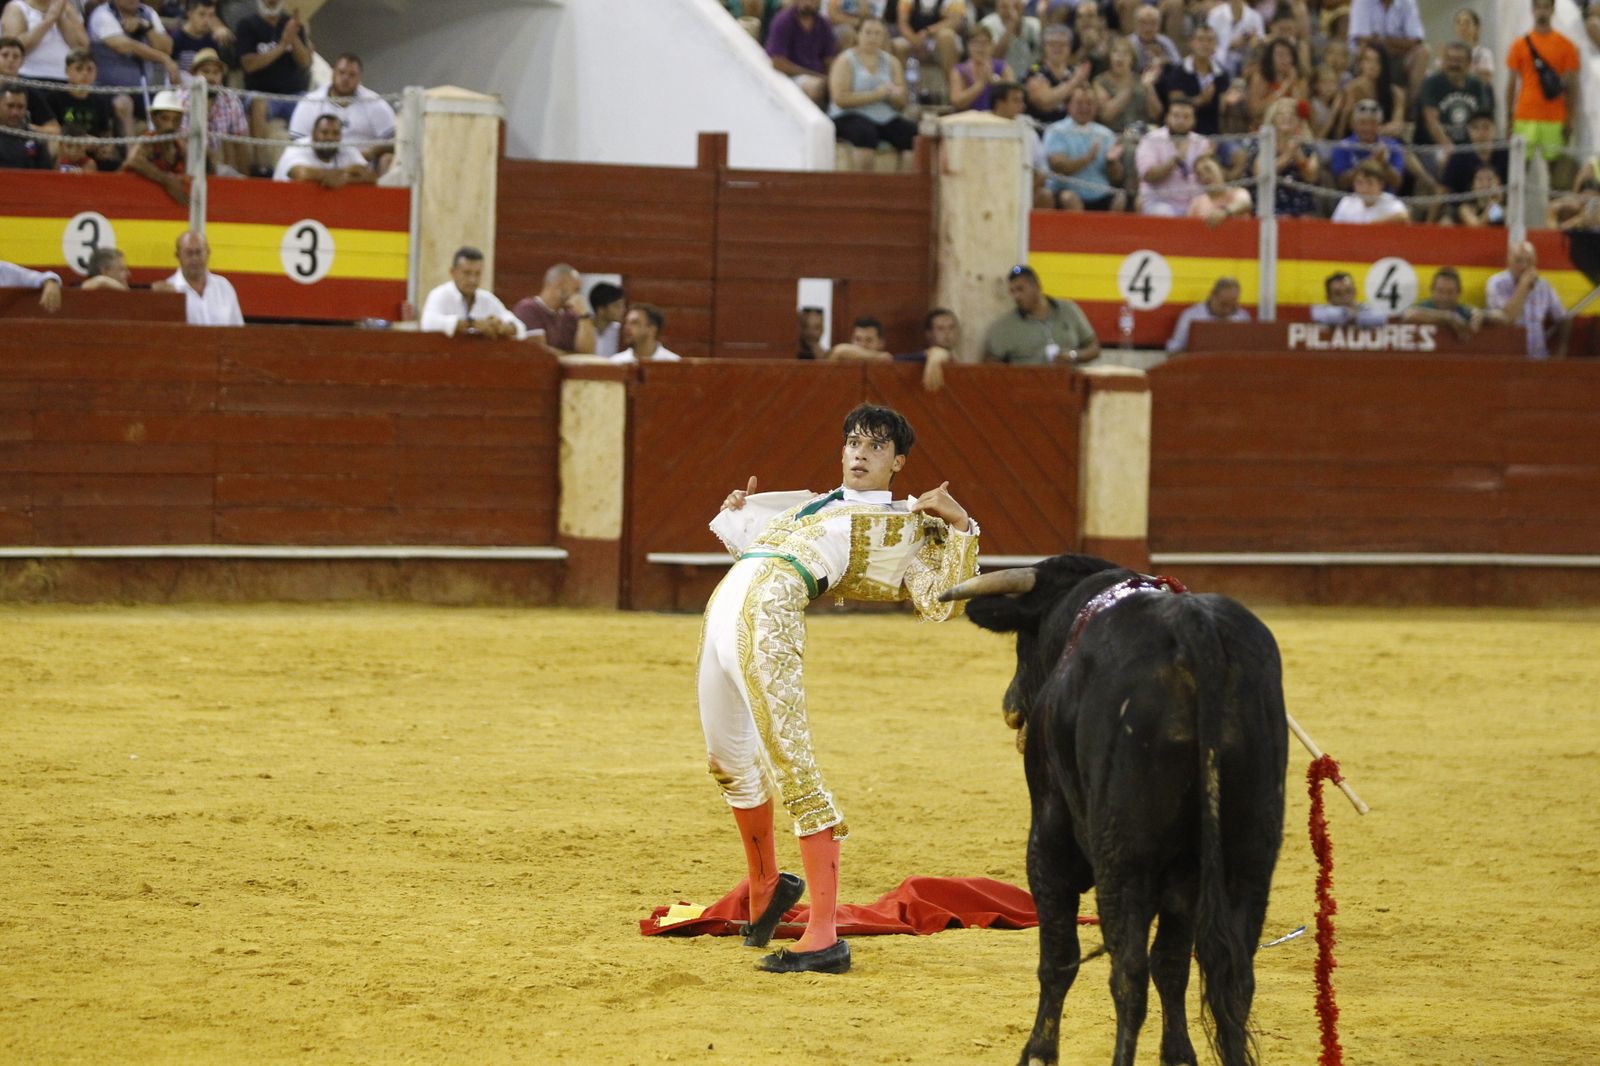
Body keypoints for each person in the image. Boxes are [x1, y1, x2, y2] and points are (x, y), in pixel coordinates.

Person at [699, 403, 979, 975]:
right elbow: (751, 550)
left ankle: (823, 936)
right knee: (727, 761)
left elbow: (937, 599)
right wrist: (740, 513)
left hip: (772, 612)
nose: (859, 452)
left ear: (898, 462)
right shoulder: (808, 503)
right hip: (724, 607)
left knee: (794, 768)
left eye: (876, 446)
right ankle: (765, 891)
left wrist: (960, 525)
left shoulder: (905, 523)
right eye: (854, 441)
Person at [1506, 0, 1579, 192]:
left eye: (1546, 7)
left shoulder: (1566, 46)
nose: (1542, 11)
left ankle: (1555, 220)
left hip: (1555, 117)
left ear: (1553, 10)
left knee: (1559, 178)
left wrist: (1570, 118)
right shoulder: (1519, 45)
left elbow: (1572, 87)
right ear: (1532, 10)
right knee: (1518, 175)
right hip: (1524, 116)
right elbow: (1511, 84)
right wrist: (1509, 119)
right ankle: (1514, 219)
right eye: (1539, 7)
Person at [827, 15, 915, 170]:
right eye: (868, 32)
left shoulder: (891, 62)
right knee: (865, 133)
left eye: (877, 33)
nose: (872, 38)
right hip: (848, 114)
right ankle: (864, 187)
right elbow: (840, 98)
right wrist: (877, 94)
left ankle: (906, 186)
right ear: (858, 34)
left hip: (884, 115)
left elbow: (902, 101)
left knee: (911, 133)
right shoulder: (845, 60)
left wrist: (895, 95)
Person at [287, 52, 396, 174]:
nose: (345, 78)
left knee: (387, 159)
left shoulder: (375, 103)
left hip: (362, 171)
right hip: (319, 168)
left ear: (360, 78)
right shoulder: (310, 102)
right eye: (341, 72)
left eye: (352, 75)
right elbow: (296, 143)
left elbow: (396, 140)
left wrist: (373, 152)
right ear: (333, 73)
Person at [235, 0, 310, 173]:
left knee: (316, 103)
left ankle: (312, 162)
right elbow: (249, 64)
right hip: (262, 94)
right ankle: (262, 167)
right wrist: (283, 45)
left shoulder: (292, 24)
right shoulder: (247, 25)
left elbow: (305, 62)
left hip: (295, 94)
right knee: (257, 102)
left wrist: (294, 38)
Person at [87, 0, 178, 137]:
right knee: (124, 102)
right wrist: (163, 59)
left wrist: (147, 28)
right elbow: (124, 46)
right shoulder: (102, 14)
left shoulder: (148, 13)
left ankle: (169, 153)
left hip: (145, 89)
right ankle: (130, 155)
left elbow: (167, 47)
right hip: (107, 89)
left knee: (169, 102)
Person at [984, 263, 1099, 364]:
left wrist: (1073, 355)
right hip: (1028, 386)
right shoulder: (1006, 326)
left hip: (1068, 384)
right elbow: (990, 365)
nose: (1016, 297)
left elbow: (1094, 348)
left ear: (1036, 286)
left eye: (1020, 289)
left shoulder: (1068, 310)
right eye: (1012, 291)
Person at [420, 246, 526, 340]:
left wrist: (504, 327)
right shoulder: (440, 294)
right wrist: (472, 324)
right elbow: (428, 323)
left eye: (477, 274)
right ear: (453, 272)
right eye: (467, 273)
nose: (473, 280)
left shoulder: (487, 299)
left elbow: (521, 328)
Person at [1485, 240, 1568, 359]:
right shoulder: (1496, 283)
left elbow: (1563, 317)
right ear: (1508, 261)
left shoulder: (1543, 286)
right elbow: (1507, 318)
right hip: (1508, 359)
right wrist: (1524, 286)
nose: (1524, 266)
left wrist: (1562, 348)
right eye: (1518, 260)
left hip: (1539, 358)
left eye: (1529, 261)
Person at [47, 49, 123, 170]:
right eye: (79, 69)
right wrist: (80, 141)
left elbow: (106, 132)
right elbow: (52, 130)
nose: (85, 74)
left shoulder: (101, 100)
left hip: (93, 154)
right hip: (66, 151)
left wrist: (106, 147)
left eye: (90, 69)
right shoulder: (54, 97)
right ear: (67, 71)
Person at [1135, 95, 1209, 217]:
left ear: (1194, 120)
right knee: (1165, 213)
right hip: (1159, 202)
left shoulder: (1201, 142)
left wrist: (1206, 164)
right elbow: (1148, 175)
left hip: (1194, 202)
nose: (1181, 121)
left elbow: (1207, 179)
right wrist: (1175, 160)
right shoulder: (1151, 139)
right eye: (1176, 116)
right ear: (1167, 118)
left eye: (1186, 117)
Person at [121, 88, 193, 206]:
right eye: (165, 118)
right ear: (153, 118)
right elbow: (133, 160)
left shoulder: (181, 147)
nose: (170, 125)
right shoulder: (148, 141)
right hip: (133, 201)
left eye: (176, 120)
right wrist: (166, 180)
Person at [1417, 41, 1491, 154]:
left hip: (1468, 149)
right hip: (1434, 148)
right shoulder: (1431, 83)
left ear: (1469, 63)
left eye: (1459, 60)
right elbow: (1431, 121)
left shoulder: (1476, 85)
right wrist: (1450, 150)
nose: (1453, 64)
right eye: (1449, 59)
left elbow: (1483, 119)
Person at [1158, 24, 1232, 137]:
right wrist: (1200, 100)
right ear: (1191, 43)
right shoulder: (1178, 71)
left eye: (1210, 40)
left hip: (1213, 134)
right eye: (1200, 40)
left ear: (1215, 45)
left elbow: (1223, 111)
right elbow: (1175, 100)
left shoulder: (1222, 74)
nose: (1205, 44)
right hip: (1181, 135)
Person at [182, 46, 247, 174]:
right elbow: (181, 143)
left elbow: (241, 142)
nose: (211, 77)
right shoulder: (182, 99)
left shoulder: (230, 99)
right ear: (194, 74)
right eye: (205, 72)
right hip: (186, 163)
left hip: (218, 165)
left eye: (216, 72)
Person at [1347, 0, 1427, 99]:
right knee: (1365, 50)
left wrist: (1380, 41)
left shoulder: (1408, 2)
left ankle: (1412, 106)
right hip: (1371, 54)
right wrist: (1398, 43)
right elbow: (1362, 39)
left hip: (1399, 56)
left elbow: (1415, 41)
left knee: (1422, 52)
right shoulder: (1362, 2)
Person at [162, 229, 242, 326]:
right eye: (189, 253)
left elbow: (238, 330)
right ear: (178, 256)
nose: (194, 258)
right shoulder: (167, 292)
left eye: (199, 252)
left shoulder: (224, 287)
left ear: (208, 253)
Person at [512, 263, 596, 354]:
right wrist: (570, 355)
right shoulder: (528, 308)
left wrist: (584, 316)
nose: (578, 295)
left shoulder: (571, 314)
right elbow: (539, 351)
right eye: (576, 289)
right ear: (559, 284)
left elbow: (587, 352)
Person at [272, 112, 372, 186]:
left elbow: (370, 178)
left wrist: (343, 178)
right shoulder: (298, 147)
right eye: (324, 132)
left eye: (335, 133)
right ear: (313, 133)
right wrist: (347, 172)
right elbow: (301, 174)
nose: (330, 138)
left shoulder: (346, 148)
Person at [766, 0, 835, 106]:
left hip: (817, 76)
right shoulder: (783, 20)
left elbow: (828, 59)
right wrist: (815, 75)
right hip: (789, 76)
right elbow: (778, 62)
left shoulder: (823, 24)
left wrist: (832, 78)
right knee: (815, 87)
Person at [1, 0, 88, 81]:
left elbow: (82, 49)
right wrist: (48, 21)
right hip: (28, 76)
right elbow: (16, 48)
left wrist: (60, 18)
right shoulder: (16, 7)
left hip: (65, 78)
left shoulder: (67, 8)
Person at [1262, 97, 1319, 217]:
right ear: (1273, 119)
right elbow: (1262, 173)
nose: (1287, 117)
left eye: (1292, 114)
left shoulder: (1307, 146)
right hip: (1270, 207)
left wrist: (1298, 154)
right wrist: (1288, 155)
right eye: (1281, 114)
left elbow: (1311, 177)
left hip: (1303, 209)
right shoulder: (1262, 144)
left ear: (1299, 120)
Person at [1329, 99, 1403, 191]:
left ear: (1379, 125)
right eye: (1362, 123)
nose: (1367, 128)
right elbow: (1342, 183)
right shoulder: (1343, 146)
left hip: (1385, 199)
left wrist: (1384, 164)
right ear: (1354, 125)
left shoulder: (1392, 145)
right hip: (1353, 198)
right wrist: (1369, 162)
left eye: (1372, 123)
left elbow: (1397, 183)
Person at [1093, 37, 1160, 134]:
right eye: (1115, 52)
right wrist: (1130, 87)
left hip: (1141, 134)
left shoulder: (1142, 80)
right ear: (1109, 57)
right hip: (1112, 134)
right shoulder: (1099, 81)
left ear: (1132, 59)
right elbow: (1106, 115)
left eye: (1125, 53)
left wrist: (1149, 87)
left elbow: (1155, 114)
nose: (1120, 57)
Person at [1022, 23, 1087, 125]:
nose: (1057, 48)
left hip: (1070, 130)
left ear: (1070, 47)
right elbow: (1045, 102)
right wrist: (1075, 82)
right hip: (1040, 128)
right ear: (1044, 47)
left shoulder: (1074, 71)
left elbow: (1085, 104)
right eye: (1052, 44)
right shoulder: (1035, 71)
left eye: (1062, 44)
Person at [1165, 275, 1250, 353]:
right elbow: (1174, 347)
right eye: (1223, 305)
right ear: (1213, 296)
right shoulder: (1191, 316)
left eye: (1233, 305)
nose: (1227, 310)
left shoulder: (1243, 317)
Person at [1402, 266, 1482, 340]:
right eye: (1440, 291)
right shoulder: (1426, 307)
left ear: (1459, 293)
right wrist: (1448, 317)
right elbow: (1408, 314)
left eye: (1450, 292)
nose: (1445, 297)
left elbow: (1490, 315)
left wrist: (1480, 314)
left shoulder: (1462, 311)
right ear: (1432, 290)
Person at [1245, 36, 1307, 129]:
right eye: (1280, 55)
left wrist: (1293, 85)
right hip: (1265, 128)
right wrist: (1284, 87)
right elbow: (1255, 111)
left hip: (1292, 129)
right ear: (1271, 58)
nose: (1284, 59)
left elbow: (1303, 113)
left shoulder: (1300, 79)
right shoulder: (1261, 78)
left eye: (1288, 55)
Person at [894, 306, 959, 391]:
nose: (947, 333)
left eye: (951, 327)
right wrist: (933, 353)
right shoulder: (920, 358)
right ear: (929, 334)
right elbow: (893, 360)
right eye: (940, 328)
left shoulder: (955, 359)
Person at [949, 24, 1012, 112]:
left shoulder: (1003, 67)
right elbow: (957, 102)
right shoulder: (959, 70)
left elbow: (1013, 98)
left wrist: (995, 82)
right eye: (975, 43)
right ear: (968, 46)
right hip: (969, 119)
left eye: (984, 43)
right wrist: (980, 84)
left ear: (992, 45)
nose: (979, 48)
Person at [1331, 159, 1409, 223]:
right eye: (1359, 183)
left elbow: (1404, 218)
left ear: (1381, 184)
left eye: (1370, 183)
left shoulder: (1391, 203)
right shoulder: (1347, 202)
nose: (1364, 188)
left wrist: (1373, 225)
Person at [167, 0, 232, 73]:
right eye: (202, 14)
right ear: (190, 14)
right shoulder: (176, 38)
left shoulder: (212, 40)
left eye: (211, 15)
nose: (206, 20)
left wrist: (225, 41)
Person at [981, 0, 1040, 79]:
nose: (1010, 11)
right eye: (1004, 7)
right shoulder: (988, 24)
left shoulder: (1033, 25)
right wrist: (1011, 25)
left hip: (1029, 78)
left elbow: (1038, 59)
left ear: (1022, 7)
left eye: (1015, 6)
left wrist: (1033, 73)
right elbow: (995, 57)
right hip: (1000, 79)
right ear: (997, 7)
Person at [1186, 155, 1251, 225]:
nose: (1204, 176)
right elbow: (1188, 228)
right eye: (1199, 174)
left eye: (1208, 169)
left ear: (1221, 170)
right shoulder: (1196, 203)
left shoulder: (1239, 192)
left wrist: (1224, 212)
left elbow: (1245, 204)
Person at [1206, 0, 1264, 77]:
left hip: (1246, 64)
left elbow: (1260, 43)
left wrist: (1253, 43)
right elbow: (1207, 44)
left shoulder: (1255, 16)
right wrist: (1230, 45)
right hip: (1219, 65)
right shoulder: (1215, 14)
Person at [610, 303, 681, 363]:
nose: (627, 327)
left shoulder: (673, 362)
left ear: (652, 329)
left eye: (635, 323)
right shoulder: (616, 362)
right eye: (626, 323)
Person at [1311, 270, 1387, 326]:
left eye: (1348, 291)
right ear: (1328, 298)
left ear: (1355, 292)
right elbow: (1317, 314)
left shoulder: (1365, 307)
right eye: (1338, 294)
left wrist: (1355, 316)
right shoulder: (1322, 310)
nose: (1345, 297)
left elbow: (1381, 317)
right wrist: (1348, 314)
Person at [0, 84, 49, 168]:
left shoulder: (35, 139)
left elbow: (45, 175)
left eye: (20, 107)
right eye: (10, 106)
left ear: (26, 108)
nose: (15, 112)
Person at [1452, 7, 1494, 84]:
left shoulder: (1484, 53)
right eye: (1459, 23)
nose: (1462, 27)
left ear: (1477, 27)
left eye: (1467, 23)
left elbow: (1485, 79)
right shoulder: (1450, 54)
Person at [824, 314, 891, 361]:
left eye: (869, 340)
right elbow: (839, 351)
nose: (862, 345)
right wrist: (877, 356)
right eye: (858, 339)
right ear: (851, 340)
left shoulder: (887, 366)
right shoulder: (842, 360)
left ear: (881, 343)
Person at [587, 281, 626, 357]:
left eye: (622, 306)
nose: (623, 310)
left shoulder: (620, 331)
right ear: (601, 310)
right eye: (617, 306)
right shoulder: (583, 329)